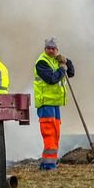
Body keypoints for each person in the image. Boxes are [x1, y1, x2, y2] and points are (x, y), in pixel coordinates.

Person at [33, 37, 75, 170]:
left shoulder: (56, 61)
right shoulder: (42, 62)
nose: (51, 50)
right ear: (45, 49)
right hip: (46, 102)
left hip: (55, 103)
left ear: (57, 50)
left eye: (53, 48)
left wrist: (67, 61)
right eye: (48, 48)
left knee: (55, 133)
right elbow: (52, 79)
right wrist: (62, 68)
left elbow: (72, 73)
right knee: (49, 132)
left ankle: (51, 161)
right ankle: (48, 164)